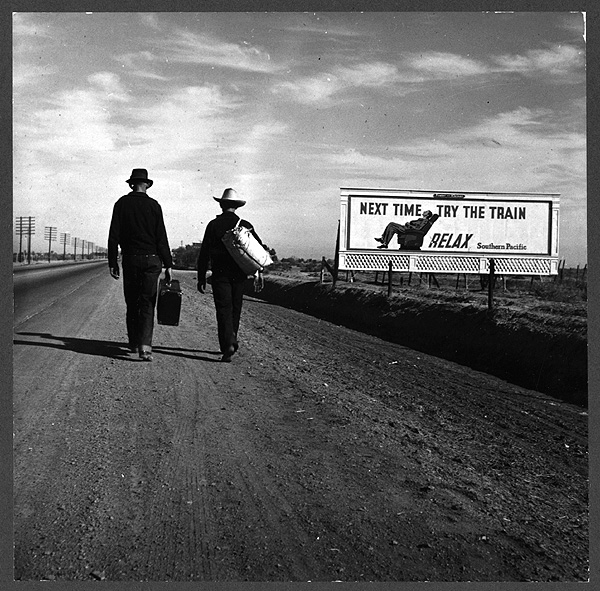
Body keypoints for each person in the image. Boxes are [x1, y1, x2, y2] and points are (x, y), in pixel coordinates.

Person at [108, 168, 173, 361]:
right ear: (146, 185)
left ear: (131, 184)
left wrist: (113, 262)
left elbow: (113, 235)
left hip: (131, 259)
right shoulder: (154, 206)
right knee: (147, 302)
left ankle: (134, 342)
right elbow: (161, 236)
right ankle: (145, 347)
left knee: (132, 301)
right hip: (152, 259)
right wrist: (168, 263)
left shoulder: (121, 204)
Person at [196, 188, 265, 362]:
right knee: (235, 309)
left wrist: (201, 277)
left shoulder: (213, 225)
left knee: (223, 310)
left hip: (220, 275)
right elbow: (258, 248)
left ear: (221, 204)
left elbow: (204, 253)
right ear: (236, 206)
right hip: (240, 275)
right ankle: (231, 339)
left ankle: (228, 343)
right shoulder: (245, 224)